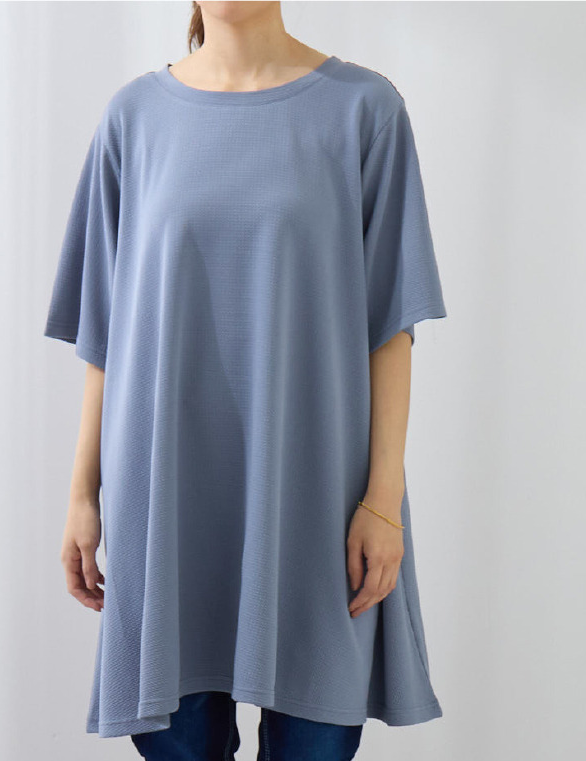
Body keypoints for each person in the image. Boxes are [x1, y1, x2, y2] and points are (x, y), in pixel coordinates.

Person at [43, 2, 447, 759]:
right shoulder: (133, 119)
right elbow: (106, 337)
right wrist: (81, 495)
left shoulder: (364, 111)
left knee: (318, 737)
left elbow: (391, 325)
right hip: (166, 501)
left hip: (318, 501)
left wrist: (384, 500)